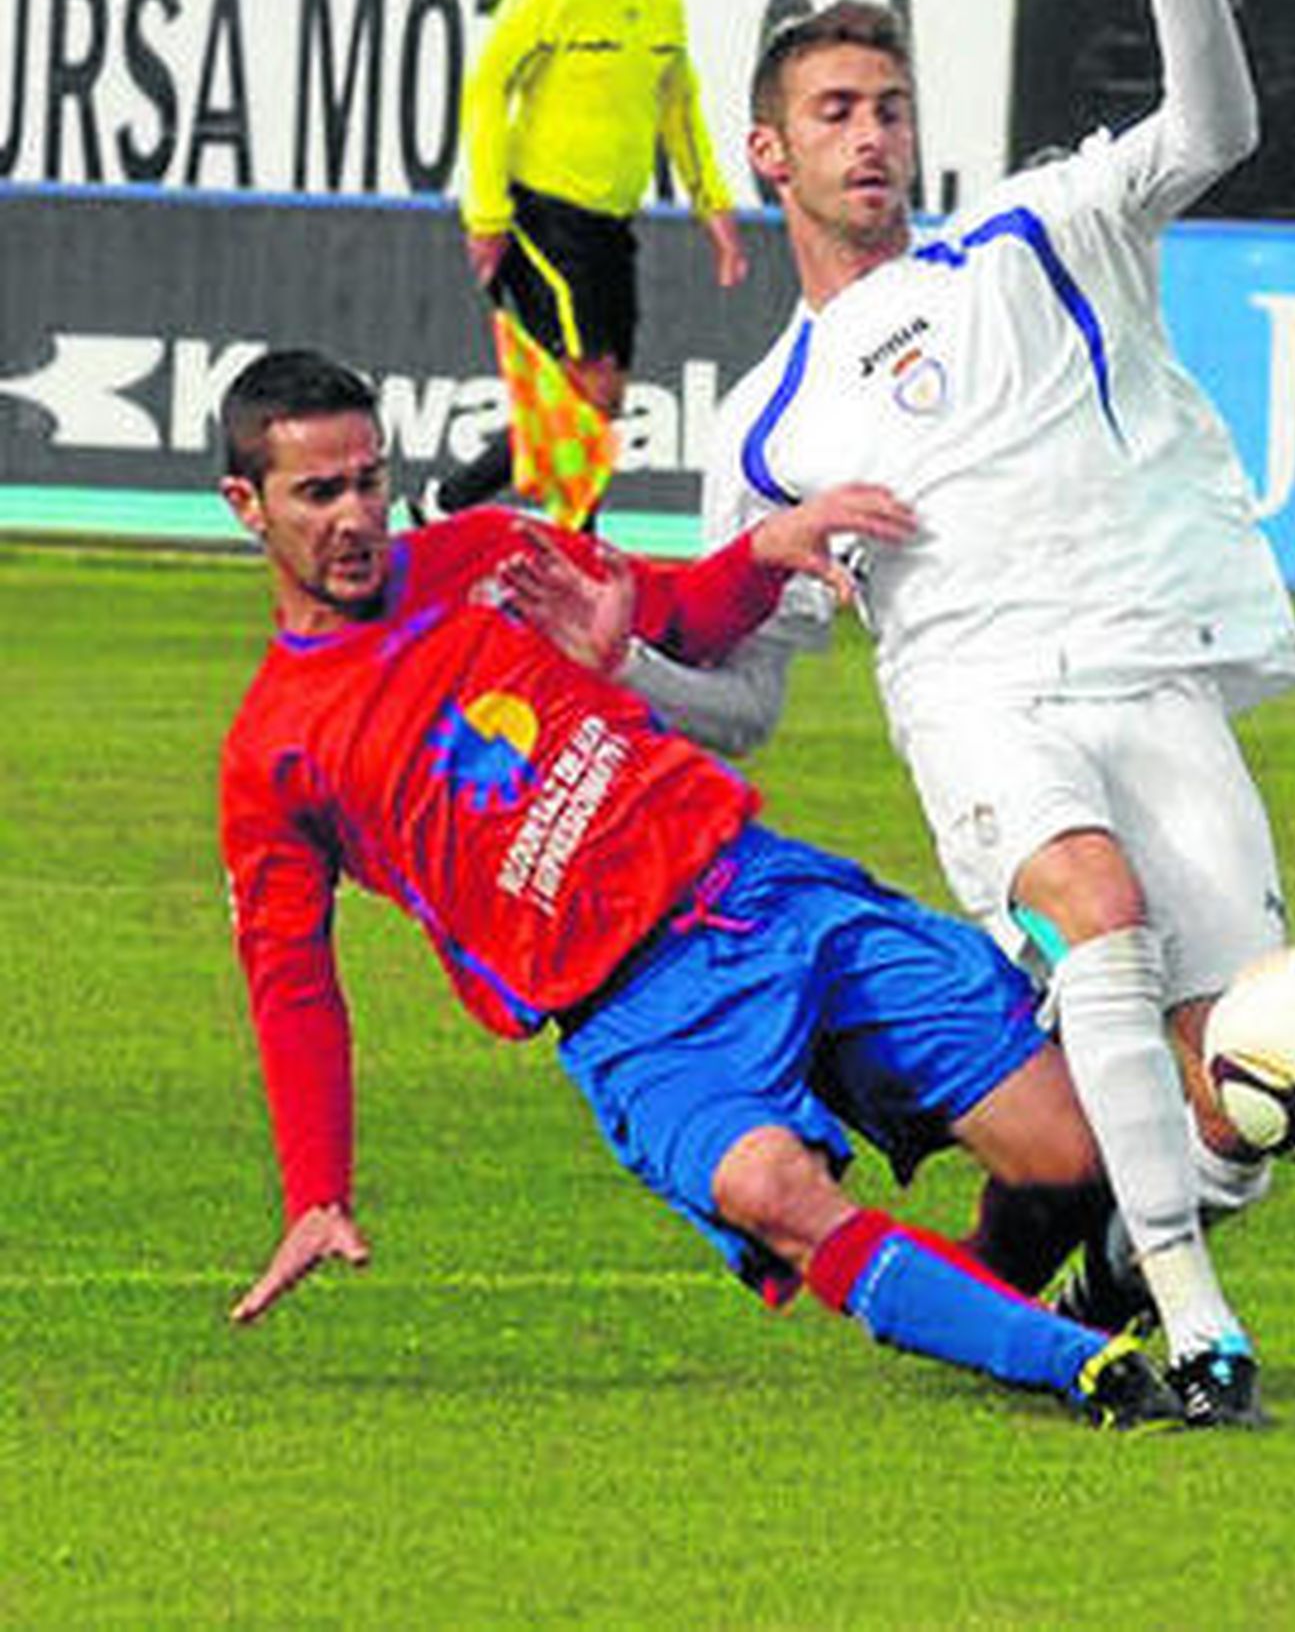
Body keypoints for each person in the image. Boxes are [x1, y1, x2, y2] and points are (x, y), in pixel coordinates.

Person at [614, 0, 1295, 1428]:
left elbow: (1215, 131)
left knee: (1251, 1084)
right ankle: (1201, 1330)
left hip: (1150, 668)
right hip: (980, 702)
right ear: (769, 153)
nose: (871, 135)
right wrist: (618, 648)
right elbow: (744, 696)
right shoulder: (767, 423)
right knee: (1096, 911)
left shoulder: (1035, 233)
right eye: (834, 113)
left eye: (889, 107)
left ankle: (1101, 1272)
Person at [215, 346, 1184, 1433]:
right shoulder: (271, 755)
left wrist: (763, 552)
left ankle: (990, 1304)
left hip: (761, 895)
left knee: (1070, 1152)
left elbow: (674, 612)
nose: (356, 517)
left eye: (369, 481)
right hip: (634, 1013)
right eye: (318, 493)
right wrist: (317, 1189)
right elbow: (292, 979)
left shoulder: (491, 553)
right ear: (247, 503)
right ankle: (1083, 1366)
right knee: (770, 1190)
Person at [431, 0, 749, 517]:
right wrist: (485, 213)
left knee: (595, 402)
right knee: (590, 389)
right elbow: (486, 90)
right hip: (544, 211)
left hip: (612, 224)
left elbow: (679, 108)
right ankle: (568, 538)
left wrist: (715, 212)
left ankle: (448, 505)